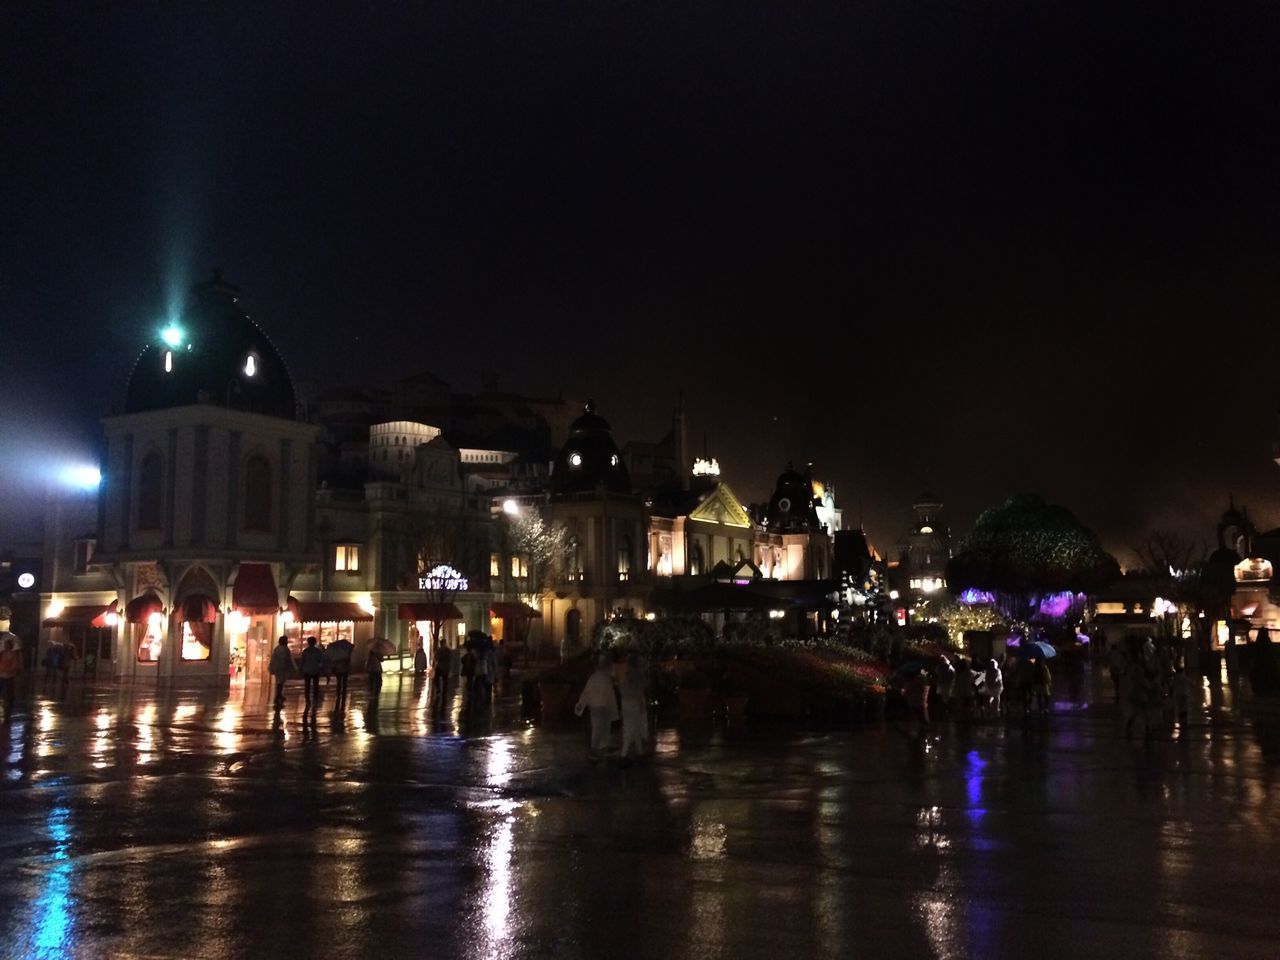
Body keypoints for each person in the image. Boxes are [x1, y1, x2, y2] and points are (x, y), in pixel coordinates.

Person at [575, 656, 619, 758]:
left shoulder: (596, 678)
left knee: (601, 728)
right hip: (600, 707)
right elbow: (609, 696)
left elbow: (586, 693)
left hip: (599, 707)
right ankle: (595, 749)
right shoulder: (603, 679)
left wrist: (581, 704)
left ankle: (599, 748)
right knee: (599, 728)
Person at [619, 652, 649, 761]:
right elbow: (644, 685)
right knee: (632, 727)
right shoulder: (637, 674)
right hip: (634, 702)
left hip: (626, 702)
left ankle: (638, 751)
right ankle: (624, 755)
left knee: (633, 727)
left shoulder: (627, 674)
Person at [299, 636, 327, 722]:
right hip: (315, 670)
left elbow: (302, 661)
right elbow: (321, 661)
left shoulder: (305, 651)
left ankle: (308, 700)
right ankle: (315, 699)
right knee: (315, 685)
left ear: (308, 642)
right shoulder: (318, 652)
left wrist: (301, 669)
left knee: (307, 685)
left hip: (307, 670)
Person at [268, 636, 294, 711]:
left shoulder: (277, 649)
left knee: (279, 681)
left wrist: (271, 667)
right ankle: (278, 696)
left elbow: (273, 658)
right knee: (281, 682)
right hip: (282, 668)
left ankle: (278, 695)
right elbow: (289, 659)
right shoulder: (285, 649)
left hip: (277, 667)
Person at [0, 637, 21, 723]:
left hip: (9, 675)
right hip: (1, 674)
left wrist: (10, 670)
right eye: (5, 644)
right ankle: (6, 702)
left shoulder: (13, 654)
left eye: (7, 644)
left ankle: (9, 703)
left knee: (9, 690)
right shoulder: (2, 653)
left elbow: (15, 664)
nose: (5, 646)